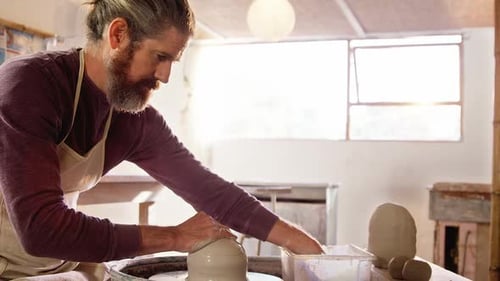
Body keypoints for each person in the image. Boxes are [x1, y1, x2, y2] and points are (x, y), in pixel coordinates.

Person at [0, 0, 323, 280]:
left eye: (173, 61)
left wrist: (304, 247)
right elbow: (41, 229)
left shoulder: (132, 119)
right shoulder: (30, 86)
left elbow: (212, 193)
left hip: (57, 265)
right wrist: (175, 237)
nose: (166, 76)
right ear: (118, 35)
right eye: (159, 57)